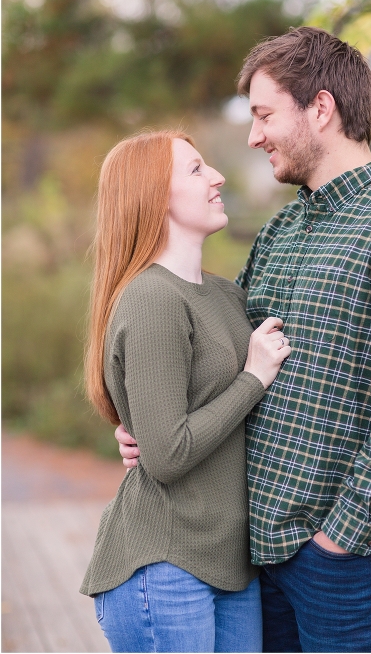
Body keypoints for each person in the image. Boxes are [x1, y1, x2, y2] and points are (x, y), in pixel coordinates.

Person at [116, 27, 371, 653]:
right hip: (262, 554)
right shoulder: (279, 233)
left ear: (321, 109)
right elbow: (225, 359)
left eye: (264, 114)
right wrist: (153, 419)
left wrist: (337, 541)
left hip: (350, 562)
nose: (253, 136)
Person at [80, 129, 292, 653]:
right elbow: (168, 454)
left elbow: (175, 419)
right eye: (197, 170)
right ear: (155, 197)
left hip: (230, 567)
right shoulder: (152, 298)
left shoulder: (224, 295)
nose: (218, 176)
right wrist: (253, 379)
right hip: (164, 564)